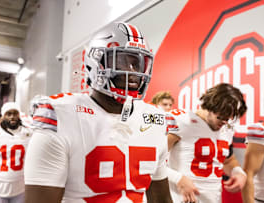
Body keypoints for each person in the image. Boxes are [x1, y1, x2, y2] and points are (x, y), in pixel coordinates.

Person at [24, 22, 173, 203]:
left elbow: (161, 198)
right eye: (123, 61)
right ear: (96, 61)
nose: (135, 73)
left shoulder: (155, 118)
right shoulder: (60, 114)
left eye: (139, 63)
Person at [166, 83, 248, 203]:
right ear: (209, 106)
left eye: (228, 118)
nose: (224, 122)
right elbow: (153, 160)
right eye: (220, 117)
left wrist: (239, 173)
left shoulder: (227, 129)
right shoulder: (181, 121)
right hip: (182, 199)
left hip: (213, 198)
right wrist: (178, 179)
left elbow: (228, 160)